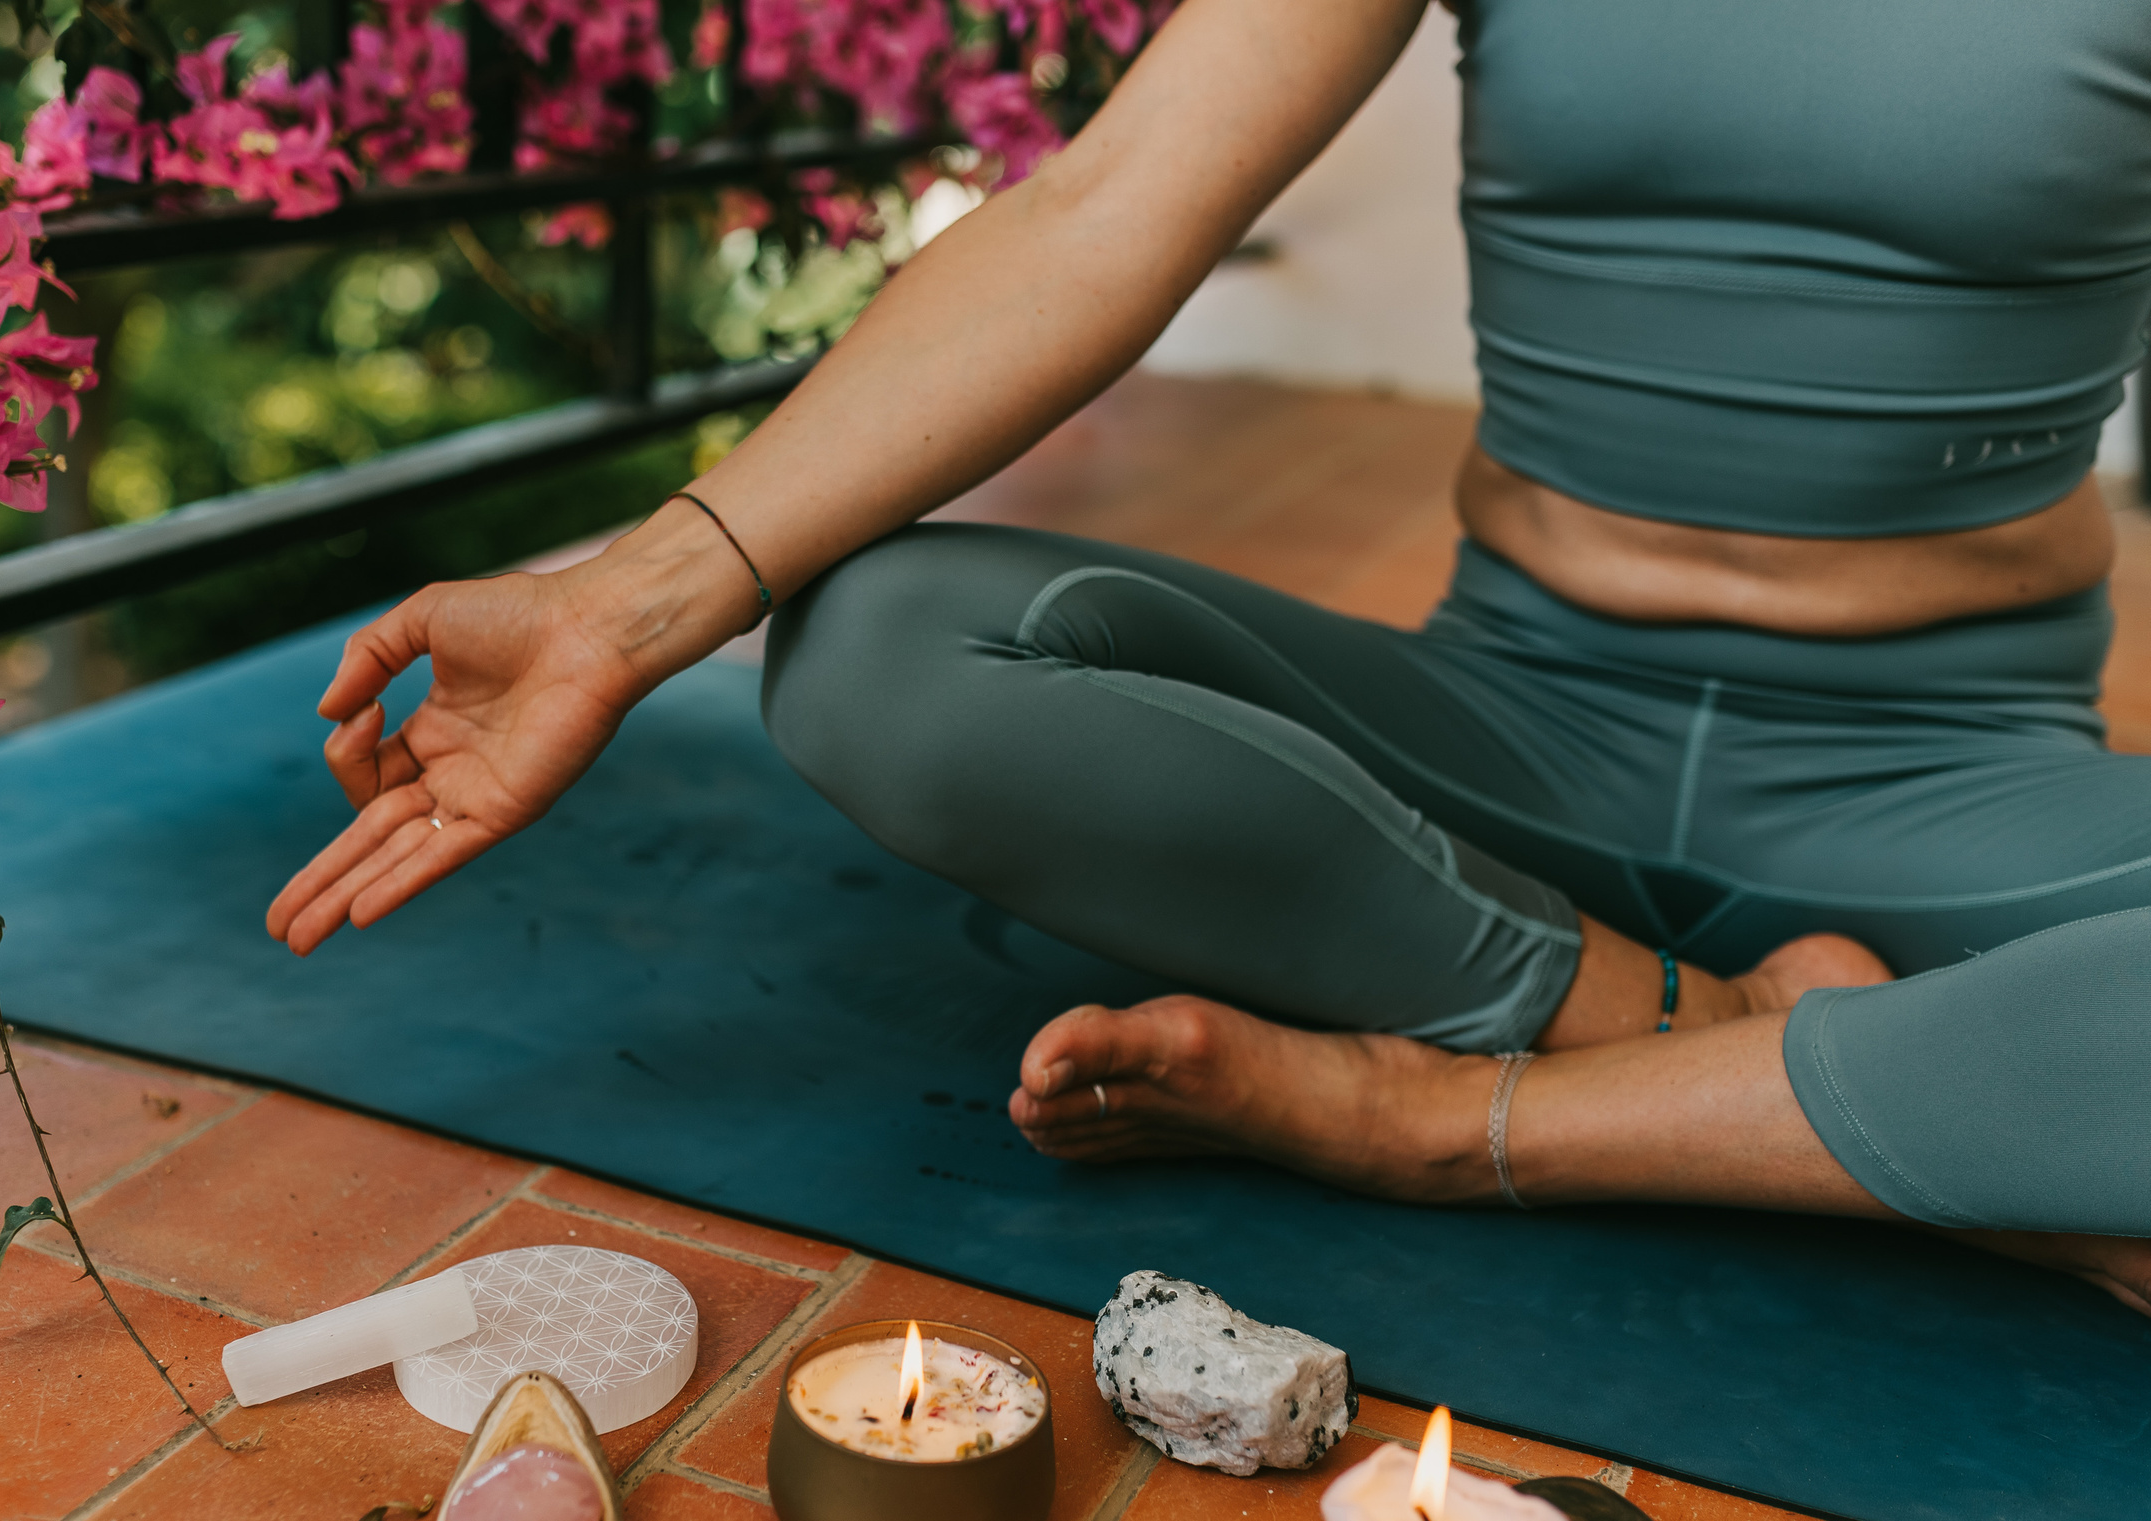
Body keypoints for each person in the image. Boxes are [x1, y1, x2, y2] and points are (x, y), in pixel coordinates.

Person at [266, 0, 2151, 1317]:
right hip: (1513, 728)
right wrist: (621, 604)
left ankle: (1442, 1112)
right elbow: (1105, 208)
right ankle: (1766, 1063)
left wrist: (1434, 1113)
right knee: (882, 648)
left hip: (1956, 787)